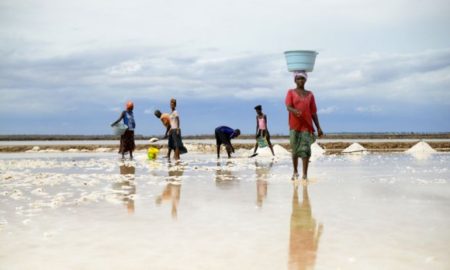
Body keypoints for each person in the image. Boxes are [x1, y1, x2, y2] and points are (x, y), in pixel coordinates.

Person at [285, 71, 323, 180]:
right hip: (294, 126)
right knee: (295, 149)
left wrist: (318, 127)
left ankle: (305, 175)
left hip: (306, 126)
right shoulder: (290, 92)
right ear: (295, 80)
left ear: (305, 80)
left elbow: (313, 112)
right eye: (298, 79)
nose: (300, 81)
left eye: (302, 78)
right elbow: (288, 106)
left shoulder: (310, 94)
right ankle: (295, 171)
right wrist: (294, 110)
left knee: (306, 150)